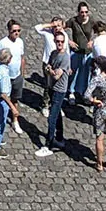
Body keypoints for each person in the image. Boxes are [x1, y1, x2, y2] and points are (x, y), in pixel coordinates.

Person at [82, 54, 106, 172]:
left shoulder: (97, 79)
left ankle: (99, 164)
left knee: (100, 138)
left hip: (100, 111)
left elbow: (86, 95)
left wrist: (94, 101)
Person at [36, 26, 71, 158]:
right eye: (57, 41)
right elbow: (47, 68)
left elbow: (56, 75)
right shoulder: (53, 53)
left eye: (62, 42)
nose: (59, 44)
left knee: (52, 117)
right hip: (51, 87)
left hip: (59, 90)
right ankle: (60, 138)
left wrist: (50, 71)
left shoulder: (65, 58)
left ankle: (48, 145)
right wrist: (50, 70)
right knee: (56, 114)